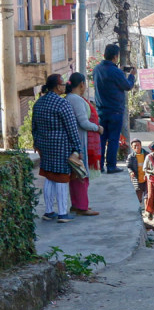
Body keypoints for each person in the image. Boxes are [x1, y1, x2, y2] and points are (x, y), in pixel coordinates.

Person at [32, 74, 82, 223]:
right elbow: (72, 129)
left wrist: (37, 143)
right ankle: (62, 213)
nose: (63, 87)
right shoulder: (62, 104)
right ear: (56, 86)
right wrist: (77, 148)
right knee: (61, 178)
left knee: (49, 177)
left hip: (44, 146)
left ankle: (48, 212)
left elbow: (33, 127)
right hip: (61, 146)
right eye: (62, 85)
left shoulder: (38, 103)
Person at [93, 44, 136, 173]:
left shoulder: (97, 69)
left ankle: (99, 166)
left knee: (102, 139)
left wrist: (120, 71)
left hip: (101, 110)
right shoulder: (115, 72)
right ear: (115, 56)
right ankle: (111, 166)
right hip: (115, 111)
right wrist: (132, 75)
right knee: (113, 139)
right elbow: (127, 86)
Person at [64, 72, 103, 216]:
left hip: (77, 139)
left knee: (77, 174)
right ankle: (81, 207)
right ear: (81, 84)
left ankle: (78, 205)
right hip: (80, 140)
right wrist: (97, 128)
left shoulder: (71, 98)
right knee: (81, 173)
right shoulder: (76, 100)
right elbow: (83, 122)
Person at [127, 139, 149, 205]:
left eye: (138, 145)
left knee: (147, 195)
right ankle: (140, 206)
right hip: (137, 178)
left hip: (146, 178)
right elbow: (129, 166)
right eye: (135, 146)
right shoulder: (131, 156)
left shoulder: (147, 155)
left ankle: (147, 210)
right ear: (132, 147)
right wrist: (131, 172)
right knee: (138, 193)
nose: (137, 147)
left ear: (141, 145)